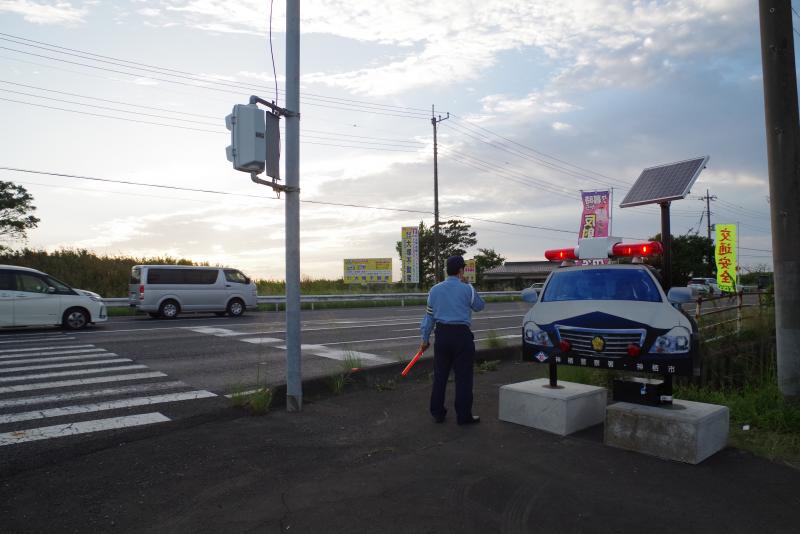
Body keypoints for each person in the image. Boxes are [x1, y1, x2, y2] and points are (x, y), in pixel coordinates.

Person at [419, 255, 485, 425]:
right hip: (462, 336)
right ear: (461, 270)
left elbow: (429, 318)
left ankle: (437, 413)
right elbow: (479, 306)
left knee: (440, 376)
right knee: (463, 378)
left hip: (442, 336)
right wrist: (469, 285)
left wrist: (425, 339)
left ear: (446, 270)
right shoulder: (467, 288)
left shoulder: (434, 290)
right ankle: (463, 416)